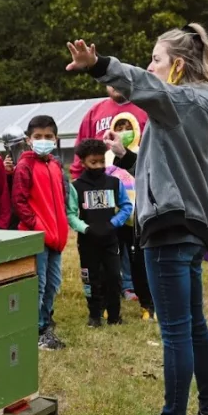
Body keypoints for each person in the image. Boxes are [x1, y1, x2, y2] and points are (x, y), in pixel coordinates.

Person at [67, 24, 208, 415]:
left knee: (176, 331)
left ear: (177, 67)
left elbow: (138, 84)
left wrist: (98, 66)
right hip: (195, 227)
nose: (149, 66)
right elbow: (185, 165)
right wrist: (130, 155)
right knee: (196, 325)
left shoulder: (176, 97)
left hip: (167, 229)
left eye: (156, 59)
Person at [71, 90, 149, 303]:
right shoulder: (95, 112)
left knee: (135, 245)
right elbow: (81, 151)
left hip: (139, 199)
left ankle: (135, 286)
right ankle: (108, 288)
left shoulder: (144, 109)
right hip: (103, 196)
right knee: (110, 242)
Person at [12, 115, 69, 352]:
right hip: (37, 236)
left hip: (56, 237)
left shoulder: (55, 165)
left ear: (56, 140)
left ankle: (45, 325)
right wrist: (36, 225)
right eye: (38, 137)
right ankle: (33, 329)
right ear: (28, 140)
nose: (43, 141)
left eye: (48, 137)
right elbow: (20, 200)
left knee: (53, 283)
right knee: (39, 284)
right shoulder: (25, 166)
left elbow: (62, 197)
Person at [66, 139, 133, 327]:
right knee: (91, 278)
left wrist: (114, 223)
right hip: (88, 241)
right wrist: (86, 228)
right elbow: (70, 214)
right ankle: (94, 315)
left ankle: (115, 316)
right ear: (83, 163)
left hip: (111, 240)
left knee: (113, 276)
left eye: (101, 161)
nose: (98, 166)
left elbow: (126, 206)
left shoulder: (114, 183)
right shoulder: (76, 187)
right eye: (93, 162)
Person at [102, 116, 155, 319]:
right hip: (112, 218)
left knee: (139, 264)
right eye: (119, 127)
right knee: (110, 264)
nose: (123, 131)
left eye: (127, 127)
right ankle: (110, 305)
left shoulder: (143, 154)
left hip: (137, 218)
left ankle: (147, 306)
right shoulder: (105, 156)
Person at [70, 86, 148, 180]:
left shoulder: (146, 110)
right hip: (102, 182)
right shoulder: (95, 112)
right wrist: (77, 178)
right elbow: (81, 148)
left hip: (139, 180)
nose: (115, 84)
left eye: (119, 79)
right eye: (112, 81)